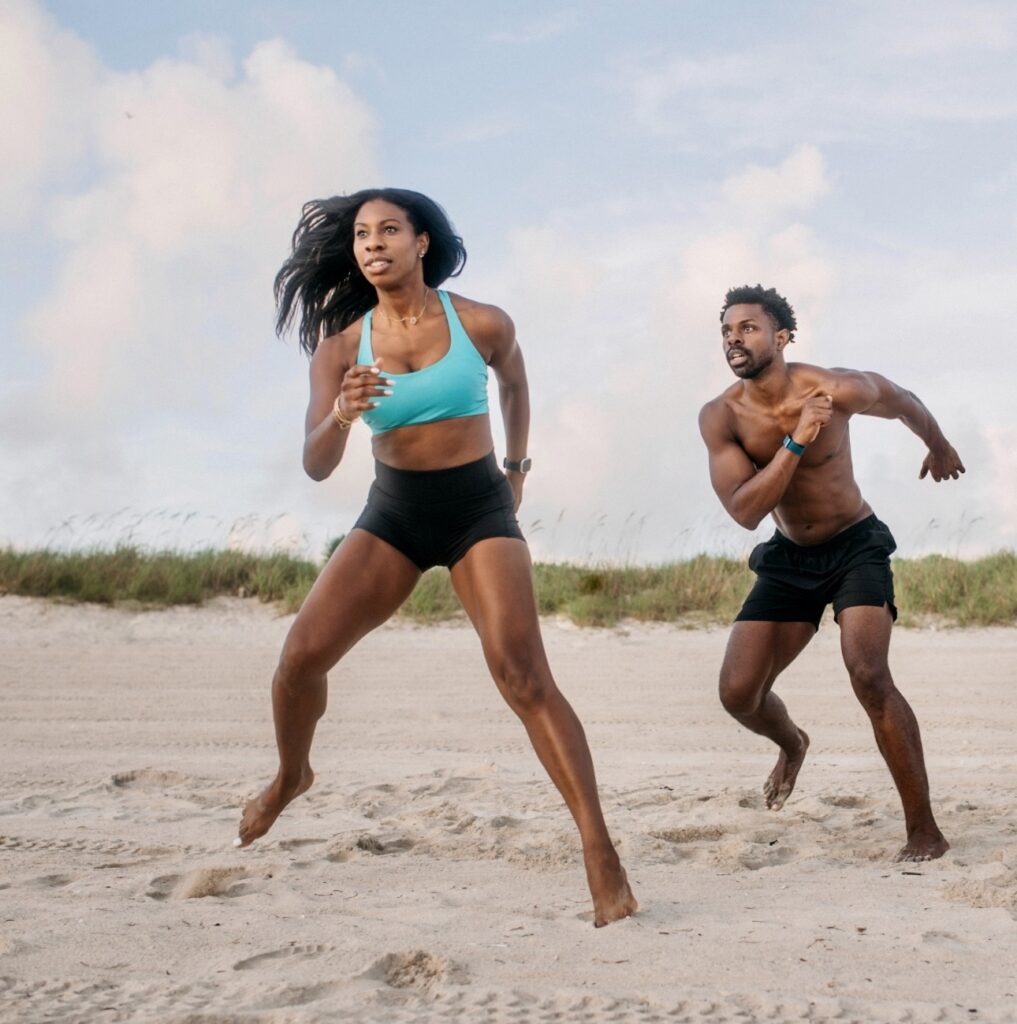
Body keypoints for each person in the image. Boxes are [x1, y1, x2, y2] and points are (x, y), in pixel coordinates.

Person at [236, 188, 636, 926]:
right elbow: (317, 465)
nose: (372, 243)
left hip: (477, 509)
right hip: (394, 514)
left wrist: (517, 469)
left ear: (423, 242)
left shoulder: (480, 322)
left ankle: (598, 848)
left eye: (389, 229)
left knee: (522, 674)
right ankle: (292, 775)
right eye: (362, 234)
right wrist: (342, 412)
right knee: (298, 661)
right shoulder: (339, 350)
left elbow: (514, 383)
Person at [699, 284, 965, 862]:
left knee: (868, 673)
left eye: (747, 328)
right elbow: (745, 511)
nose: (733, 339)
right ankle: (792, 744)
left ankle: (924, 830)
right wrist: (797, 440)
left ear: (782, 336)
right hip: (789, 556)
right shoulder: (722, 416)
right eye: (726, 330)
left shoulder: (834, 386)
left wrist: (938, 444)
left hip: (855, 547)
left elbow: (900, 399)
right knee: (738, 693)